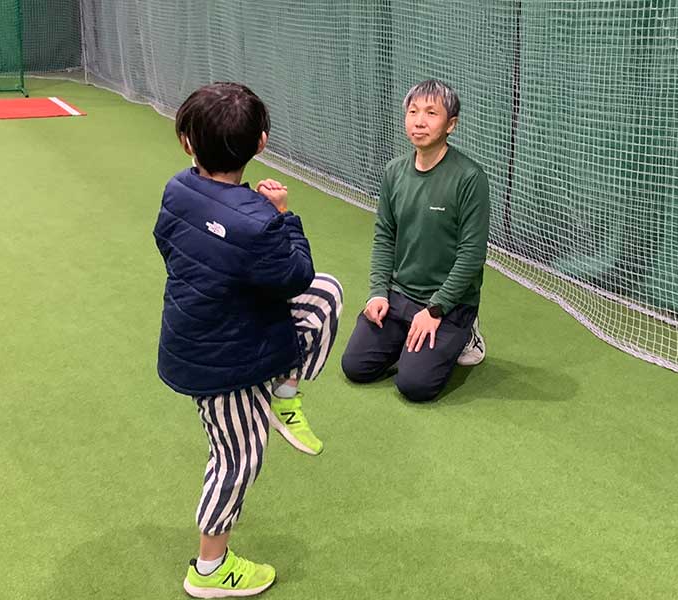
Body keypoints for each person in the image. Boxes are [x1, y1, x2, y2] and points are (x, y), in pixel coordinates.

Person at [154, 81, 343, 598]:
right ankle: (210, 570)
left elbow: (169, 243)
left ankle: (285, 392)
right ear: (261, 143)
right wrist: (284, 215)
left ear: (187, 143)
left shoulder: (177, 189)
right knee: (237, 458)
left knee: (328, 295)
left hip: (198, 333)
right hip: (220, 365)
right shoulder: (259, 221)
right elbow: (295, 273)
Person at [341, 79, 489, 402]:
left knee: (414, 386)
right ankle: (404, 339)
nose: (419, 121)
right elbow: (384, 236)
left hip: (448, 304)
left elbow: (472, 254)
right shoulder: (394, 172)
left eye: (431, 113)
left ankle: (466, 334)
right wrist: (378, 292)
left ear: (451, 124)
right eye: (413, 111)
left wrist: (436, 308)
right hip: (400, 295)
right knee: (355, 367)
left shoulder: (470, 178)